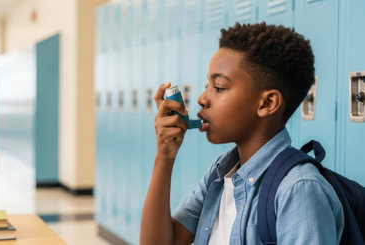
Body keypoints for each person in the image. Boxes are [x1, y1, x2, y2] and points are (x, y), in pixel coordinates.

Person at [140, 22, 344, 245]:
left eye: (218, 87)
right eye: (206, 85)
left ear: (267, 103)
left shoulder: (299, 190)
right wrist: (165, 156)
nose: (202, 98)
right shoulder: (220, 173)